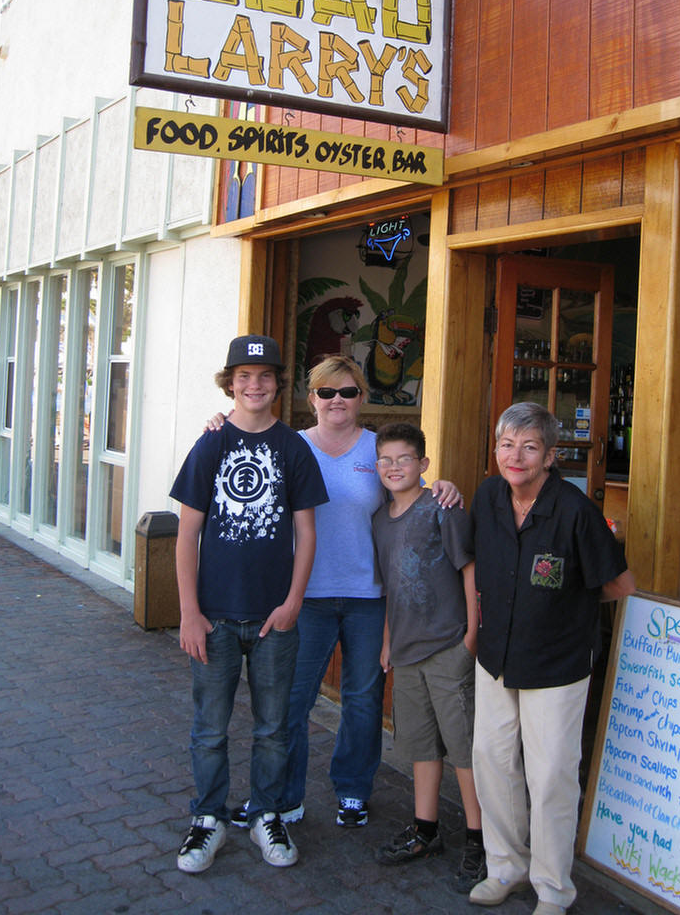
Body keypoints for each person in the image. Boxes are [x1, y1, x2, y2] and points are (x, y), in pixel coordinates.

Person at [209, 354, 460, 830]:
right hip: (305, 596)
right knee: (291, 701)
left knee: (363, 700)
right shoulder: (289, 445)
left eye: (347, 391)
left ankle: (352, 790)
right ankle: (284, 797)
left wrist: (443, 485)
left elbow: (411, 492)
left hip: (369, 596)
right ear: (312, 399)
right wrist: (220, 424)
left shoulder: (375, 448)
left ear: (362, 397)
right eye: (327, 392)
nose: (337, 400)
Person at [467, 402, 636, 915]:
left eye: (529, 446)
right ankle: (506, 868)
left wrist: (571, 603)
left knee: (550, 775)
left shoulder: (575, 511)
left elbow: (621, 585)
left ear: (550, 455)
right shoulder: (489, 495)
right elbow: (477, 561)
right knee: (493, 765)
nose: (515, 456)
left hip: (557, 663)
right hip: (496, 655)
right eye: (506, 444)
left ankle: (553, 888)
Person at [169, 334, 329, 874]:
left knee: (273, 726)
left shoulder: (293, 448)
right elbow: (186, 532)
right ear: (230, 384)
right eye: (244, 377)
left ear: (277, 386)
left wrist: (292, 603)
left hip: (272, 620)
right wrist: (189, 612)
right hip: (212, 617)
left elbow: (306, 533)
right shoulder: (211, 443)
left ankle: (266, 813)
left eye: (264, 377)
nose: (254, 385)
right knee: (209, 729)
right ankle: (208, 818)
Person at [372, 422, 486, 894]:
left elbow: (470, 572)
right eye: (386, 460)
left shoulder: (443, 508)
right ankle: (425, 829)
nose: (394, 467)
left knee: (464, 750)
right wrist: (386, 642)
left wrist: (470, 639)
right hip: (406, 647)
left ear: (424, 464)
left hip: (447, 645)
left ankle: (481, 841)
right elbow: (390, 587)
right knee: (420, 745)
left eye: (404, 459)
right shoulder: (379, 518)